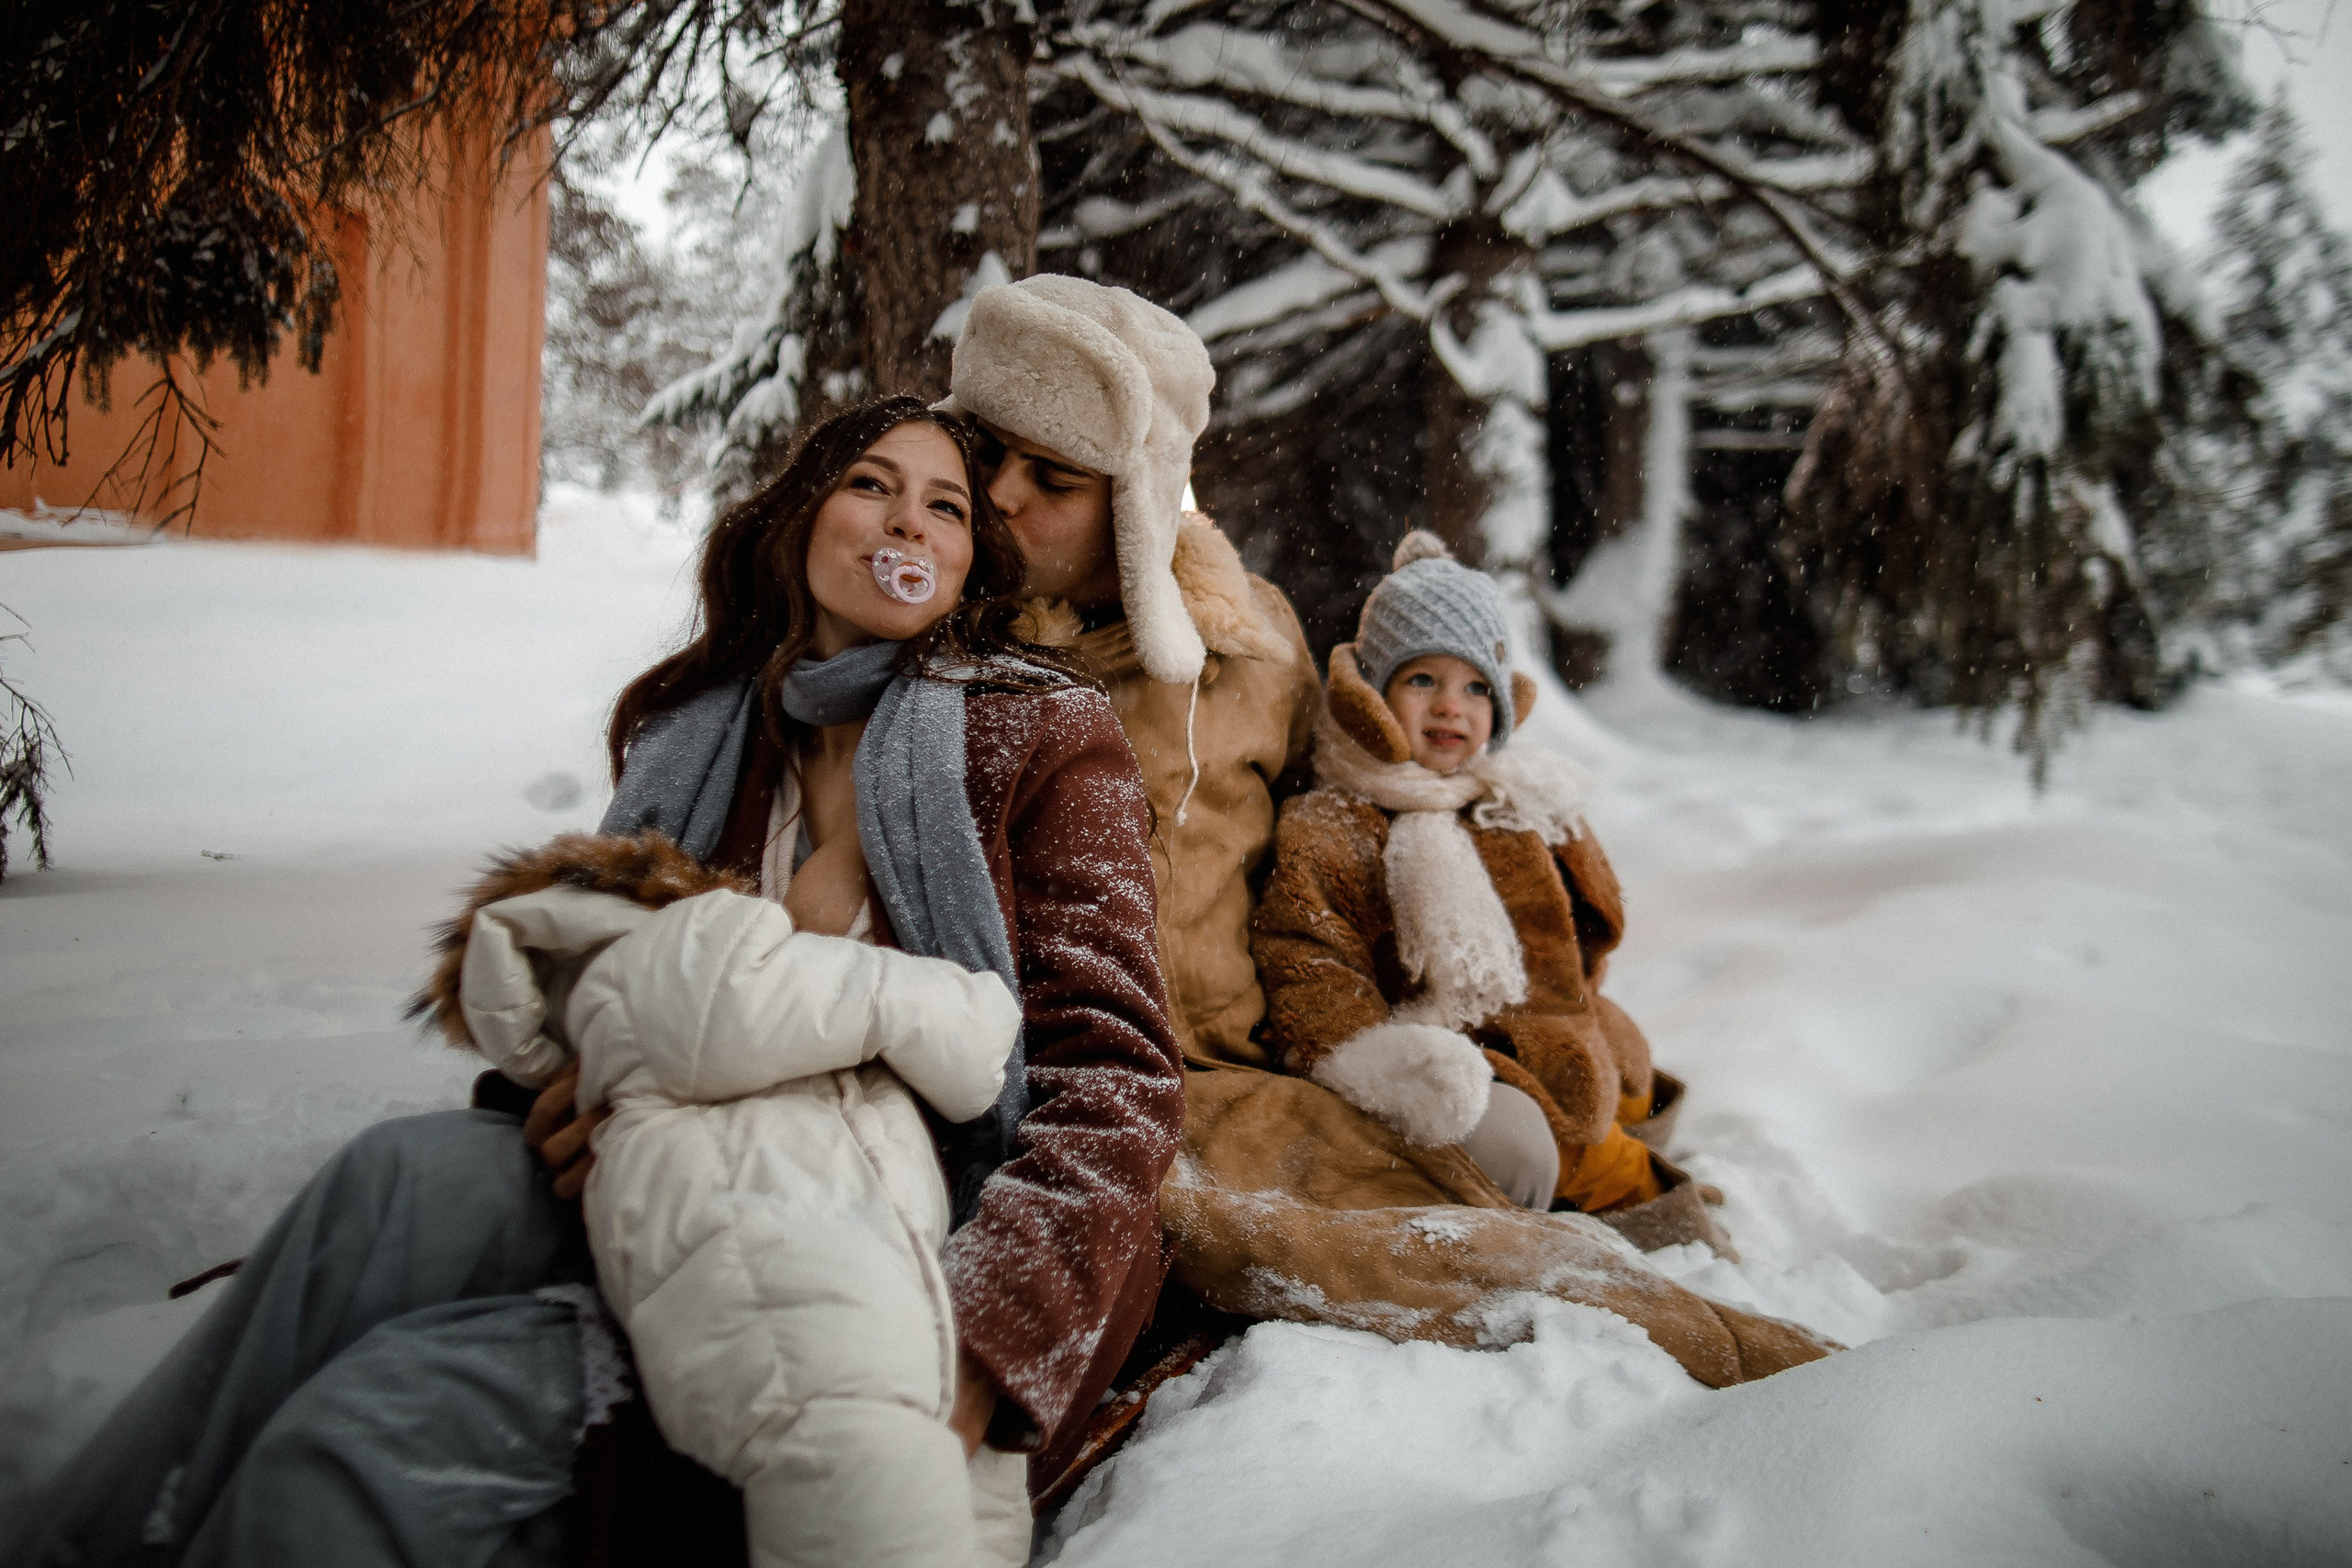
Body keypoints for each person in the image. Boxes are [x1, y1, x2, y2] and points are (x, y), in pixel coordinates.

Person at [7, 398, 1185, 1568]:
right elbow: (629, 987)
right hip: (662, 1160)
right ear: (800, 516)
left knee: (361, 1439)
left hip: (864, 1223)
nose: (910, 526)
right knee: (390, 1183)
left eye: (947, 509)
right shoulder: (699, 732)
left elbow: (1119, 1082)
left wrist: (985, 1343)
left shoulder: (1033, 733)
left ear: (972, 559)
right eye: (872, 485)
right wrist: (573, 1092)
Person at [1251, 531, 1736, 1236]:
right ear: (1372, 693)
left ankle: (1612, 1152)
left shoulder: (1502, 801)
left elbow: (1572, 929)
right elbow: (1308, 961)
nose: (1451, 706)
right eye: (1423, 680)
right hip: (1438, 1052)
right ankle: (1628, 1203)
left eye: (1475, 687)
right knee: (1573, 1147)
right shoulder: (1334, 821)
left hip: (1524, 1028)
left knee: (1621, 1076)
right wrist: (1385, 1060)